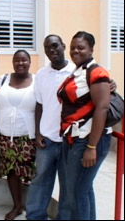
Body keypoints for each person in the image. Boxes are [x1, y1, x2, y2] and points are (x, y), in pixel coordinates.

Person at [57, 31, 112, 220]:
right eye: (72, 48)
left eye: (81, 47)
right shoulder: (79, 71)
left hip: (87, 140)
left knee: (76, 191)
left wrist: (91, 147)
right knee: (83, 189)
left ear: (91, 49)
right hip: (72, 137)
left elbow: (102, 108)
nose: (75, 51)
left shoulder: (96, 71)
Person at [25, 35, 75, 220]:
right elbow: (39, 105)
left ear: (63, 46)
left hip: (69, 140)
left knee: (68, 184)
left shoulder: (76, 71)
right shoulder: (42, 75)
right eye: (47, 48)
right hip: (47, 139)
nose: (51, 50)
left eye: (55, 46)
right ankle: (35, 216)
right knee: (40, 181)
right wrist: (38, 133)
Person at [0, 50, 36, 220]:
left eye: (24, 60)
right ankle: (17, 206)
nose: (20, 63)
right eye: (17, 60)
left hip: (28, 136)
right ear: (13, 62)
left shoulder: (36, 81)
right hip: (4, 135)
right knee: (12, 171)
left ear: (29, 62)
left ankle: (35, 208)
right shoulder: (4, 79)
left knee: (30, 171)